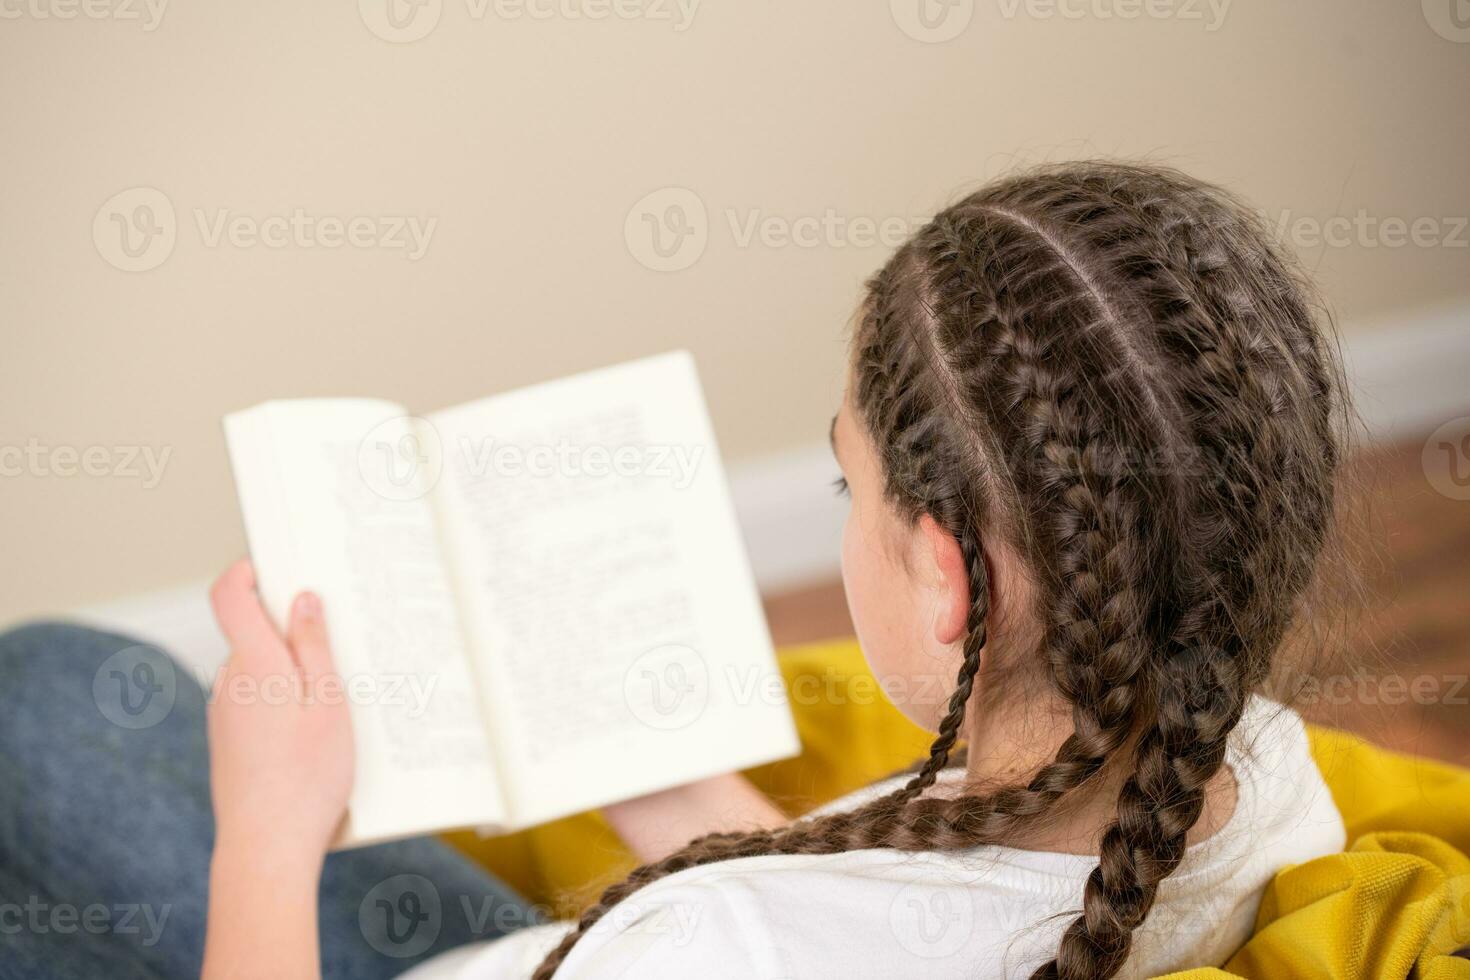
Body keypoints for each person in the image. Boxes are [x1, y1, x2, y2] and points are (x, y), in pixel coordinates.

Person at [0, 161, 1350, 980]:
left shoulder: (709, 953)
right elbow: (858, 925)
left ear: (943, 574)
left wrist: (269, 835)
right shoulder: (1260, 773)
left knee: (42, 698)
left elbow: (774, 950)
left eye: (845, 482)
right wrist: (674, 791)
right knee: (49, 685)